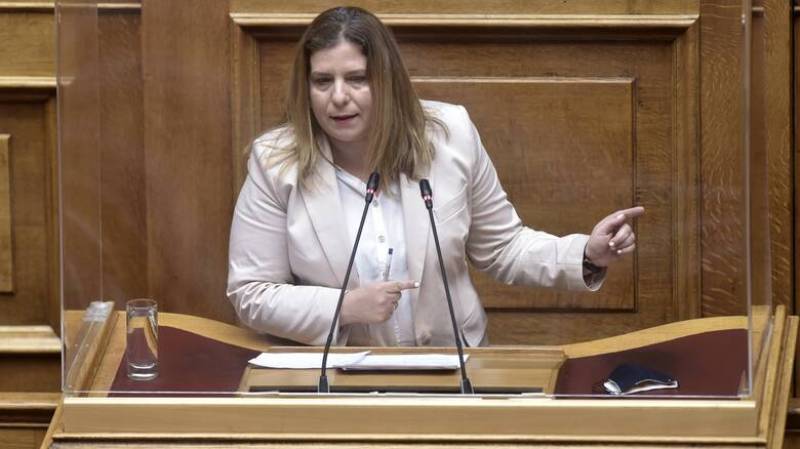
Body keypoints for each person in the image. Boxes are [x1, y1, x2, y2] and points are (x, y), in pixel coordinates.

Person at [227, 6, 644, 347]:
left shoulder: (450, 136)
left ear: (387, 81)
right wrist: (344, 308)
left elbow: (503, 247)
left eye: (357, 79)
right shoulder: (276, 162)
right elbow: (252, 293)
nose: (338, 97)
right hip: (336, 381)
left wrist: (585, 254)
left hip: (450, 371)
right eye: (323, 81)